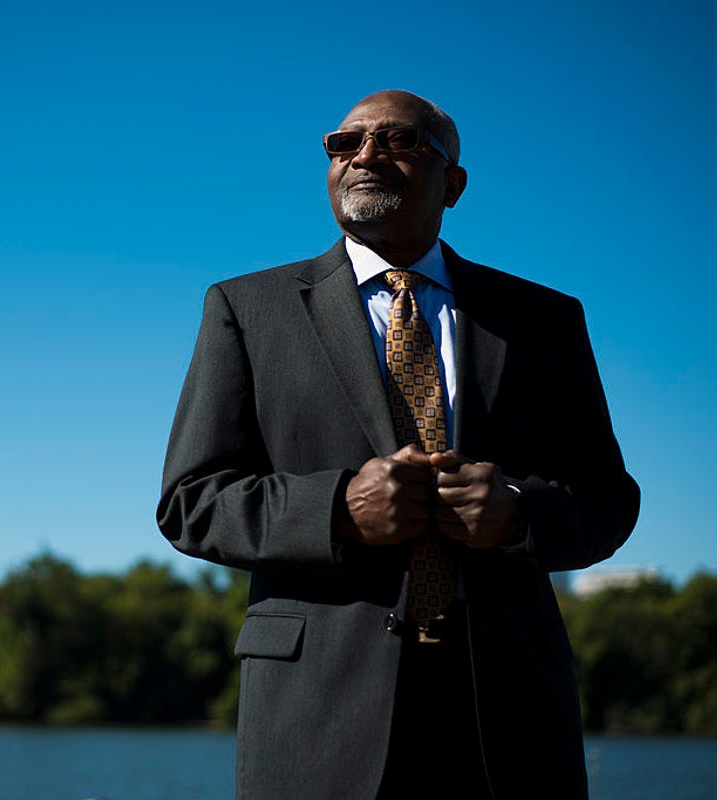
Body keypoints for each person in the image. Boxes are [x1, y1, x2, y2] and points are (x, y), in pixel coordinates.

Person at [156, 90, 640, 799]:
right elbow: (191, 502)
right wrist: (337, 510)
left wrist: (515, 513)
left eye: (398, 141)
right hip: (315, 711)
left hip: (508, 714)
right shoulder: (246, 310)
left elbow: (607, 500)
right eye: (344, 144)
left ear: (453, 184)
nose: (365, 156)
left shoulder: (544, 320)